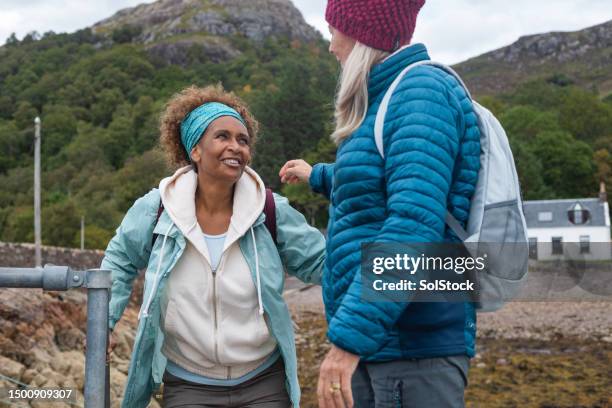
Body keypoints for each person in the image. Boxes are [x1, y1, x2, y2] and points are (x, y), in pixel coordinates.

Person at [279, 0, 481, 407]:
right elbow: (381, 181)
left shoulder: (420, 93)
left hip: (411, 346)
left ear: (362, 34)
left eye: (335, 30)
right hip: (385, 341)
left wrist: (347, 343)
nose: (331, 45)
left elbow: (413, 224)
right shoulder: (388, 98)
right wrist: (318, 175)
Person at [102, 84, 326, 408]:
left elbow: (326, 263)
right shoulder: (158, 210)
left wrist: (413, 273)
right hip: (188, 383)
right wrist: (104, 322)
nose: (235, 147)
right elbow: (119, 260)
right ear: (195, 150)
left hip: (264, 381)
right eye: (222, 136)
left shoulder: (270, 210)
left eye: (243, 139)